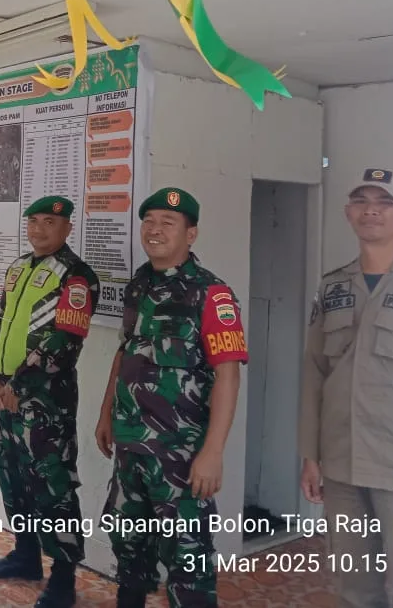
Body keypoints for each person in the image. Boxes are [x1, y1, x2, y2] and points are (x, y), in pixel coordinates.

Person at [94, 187, 248, 608]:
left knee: (187, 561)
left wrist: (213, 451)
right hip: (130, 448)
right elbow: (126, 350)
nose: (155, 230)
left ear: (191, 234)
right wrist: (106, 412)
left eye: (168, 222)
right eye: (149, 221)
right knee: (129, 547)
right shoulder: (139, 285)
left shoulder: (210, 294)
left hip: (179, 457)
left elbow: (228, 375)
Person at [0, 196, 100, 608]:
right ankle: (26, 555)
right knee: (13, 477)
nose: (38, 230)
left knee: (54, 486)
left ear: (67, 228)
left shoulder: (77, 277)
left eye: (49, 222)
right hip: (7, 398)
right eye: (33, 222)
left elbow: (63, 342)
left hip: (46, 403)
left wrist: (20, 385)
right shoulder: (18, 268)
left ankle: (63, 577)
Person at [299, 168, 393, 608]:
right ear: (348, 213)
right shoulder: (333, 285)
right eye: (361, 200)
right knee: (354, 585)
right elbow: (314, 371)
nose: (371, 210)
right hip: (341, 465)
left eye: (383, 201)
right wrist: (311, 454)